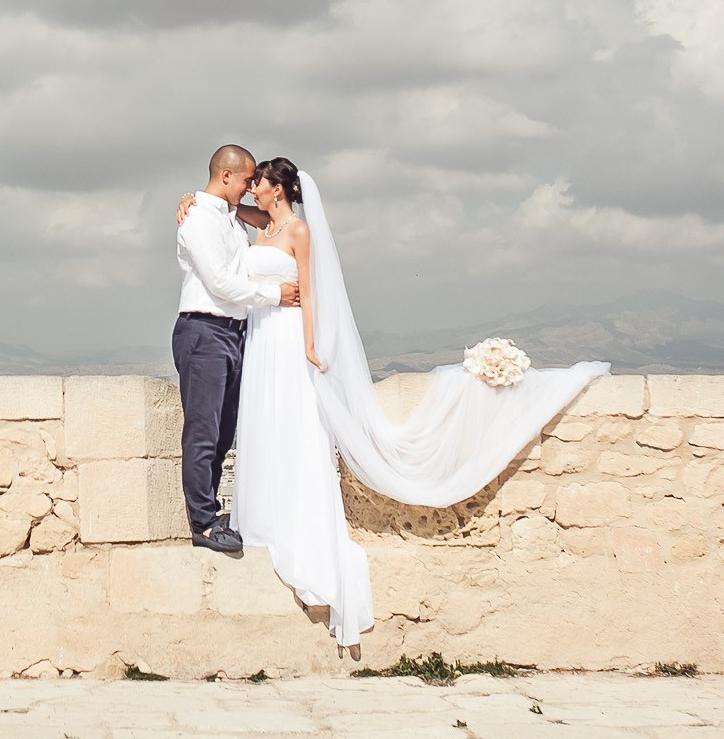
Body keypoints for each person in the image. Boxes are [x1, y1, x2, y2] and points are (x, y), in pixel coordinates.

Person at [179, 157, 610, 649]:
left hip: (284, 334)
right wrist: (191, 201)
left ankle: (292, 525)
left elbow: (312, 292)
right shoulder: (257, 222)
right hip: (256, 337)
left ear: (279, 189)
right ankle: (254, 520)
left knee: (291, 428)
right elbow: (219, 214)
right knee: (258, 427)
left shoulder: (297, 230)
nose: (252, 189)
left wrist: (311, 344)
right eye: (249, 181)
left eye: (260, 183)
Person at [174, 144, 300, 553]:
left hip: (234, 332)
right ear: (226, 176)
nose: (249, 189)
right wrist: (275, 295)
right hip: (204, 330)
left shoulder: (230, 217)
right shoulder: (197, 220)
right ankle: (203, 523)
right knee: (203, 430)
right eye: (246, 180)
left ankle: (213, 508)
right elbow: (220, 284)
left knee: (226, 429)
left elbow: (274, 221)